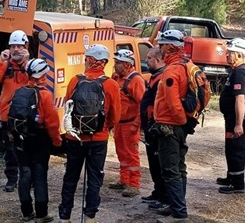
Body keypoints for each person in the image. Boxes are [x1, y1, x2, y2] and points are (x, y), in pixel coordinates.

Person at [58, 44, 121, 223]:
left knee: (70, 177)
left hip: (74, 138)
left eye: (86, 59)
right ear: (103, 62)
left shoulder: (74, 81)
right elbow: (115, 116)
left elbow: (68, 108)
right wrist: (104, 127)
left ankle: (65, 216)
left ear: (90, 60)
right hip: (98, 140)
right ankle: (90, 217)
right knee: (94, 179)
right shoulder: (111, 85)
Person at [10, 58, 62, 223]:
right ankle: (41, 214)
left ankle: (26, 212)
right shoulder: (45, 95)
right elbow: (52, 123)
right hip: (39, 140)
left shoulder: (19, 91)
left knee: (24, 175)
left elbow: (7, 112)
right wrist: (57, 141)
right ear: (42, 75)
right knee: (39, 176)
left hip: (21, 140)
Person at [153, 30, 192, 223]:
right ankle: (176, 205)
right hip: (181, 125)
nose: (159, 49)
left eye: (161, 45)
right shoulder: (187, 65)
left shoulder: (172, 71)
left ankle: (179, 213)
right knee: (180, 167)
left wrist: (178, 121)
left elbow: (173, 101)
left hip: (171, 126)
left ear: (168, 47)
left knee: (170, 170)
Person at [0, 30, 30, 192]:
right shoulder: (4, 65)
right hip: (8, 116)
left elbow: (37, 83)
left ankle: (27, 179)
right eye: (13, 46)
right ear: (9, 48)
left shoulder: (31, 65)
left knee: (27, 150)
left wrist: (26, 63)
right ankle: (12, 179)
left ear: (26, 46)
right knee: (10, 151)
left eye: (20, 46)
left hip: (26, 117)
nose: (16, 50)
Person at [217, 38, 245, 194]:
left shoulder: (241, 73)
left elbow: (240, 99)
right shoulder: (239, 71)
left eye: (230, 53)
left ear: (239, 54)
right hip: (233, 117)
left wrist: (238, 124)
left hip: (237, 118)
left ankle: (237, 184)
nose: (227, 56)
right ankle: (231, 177)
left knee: (236, 149)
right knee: (231, 148)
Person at [108, 49, 146, 197]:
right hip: (119, 123)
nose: (115, 65)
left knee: (131, 154)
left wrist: (136, 124)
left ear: (126, 64)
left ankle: (134, 185)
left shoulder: (136, 80)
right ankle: (124, 180)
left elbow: (142, 105)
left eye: (118, 63)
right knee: (121, 153)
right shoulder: (116, 77)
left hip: (130, 124)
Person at [139, 48, 169, 210]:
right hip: (149, 126)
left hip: (155, 126)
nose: (146, 61)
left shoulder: (161, 78)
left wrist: (153, 125)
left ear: (157, 60)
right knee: (153, 162)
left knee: (159, 163)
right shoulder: (154, 77)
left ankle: (164, 197)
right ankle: (158, 192)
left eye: (149, 58)